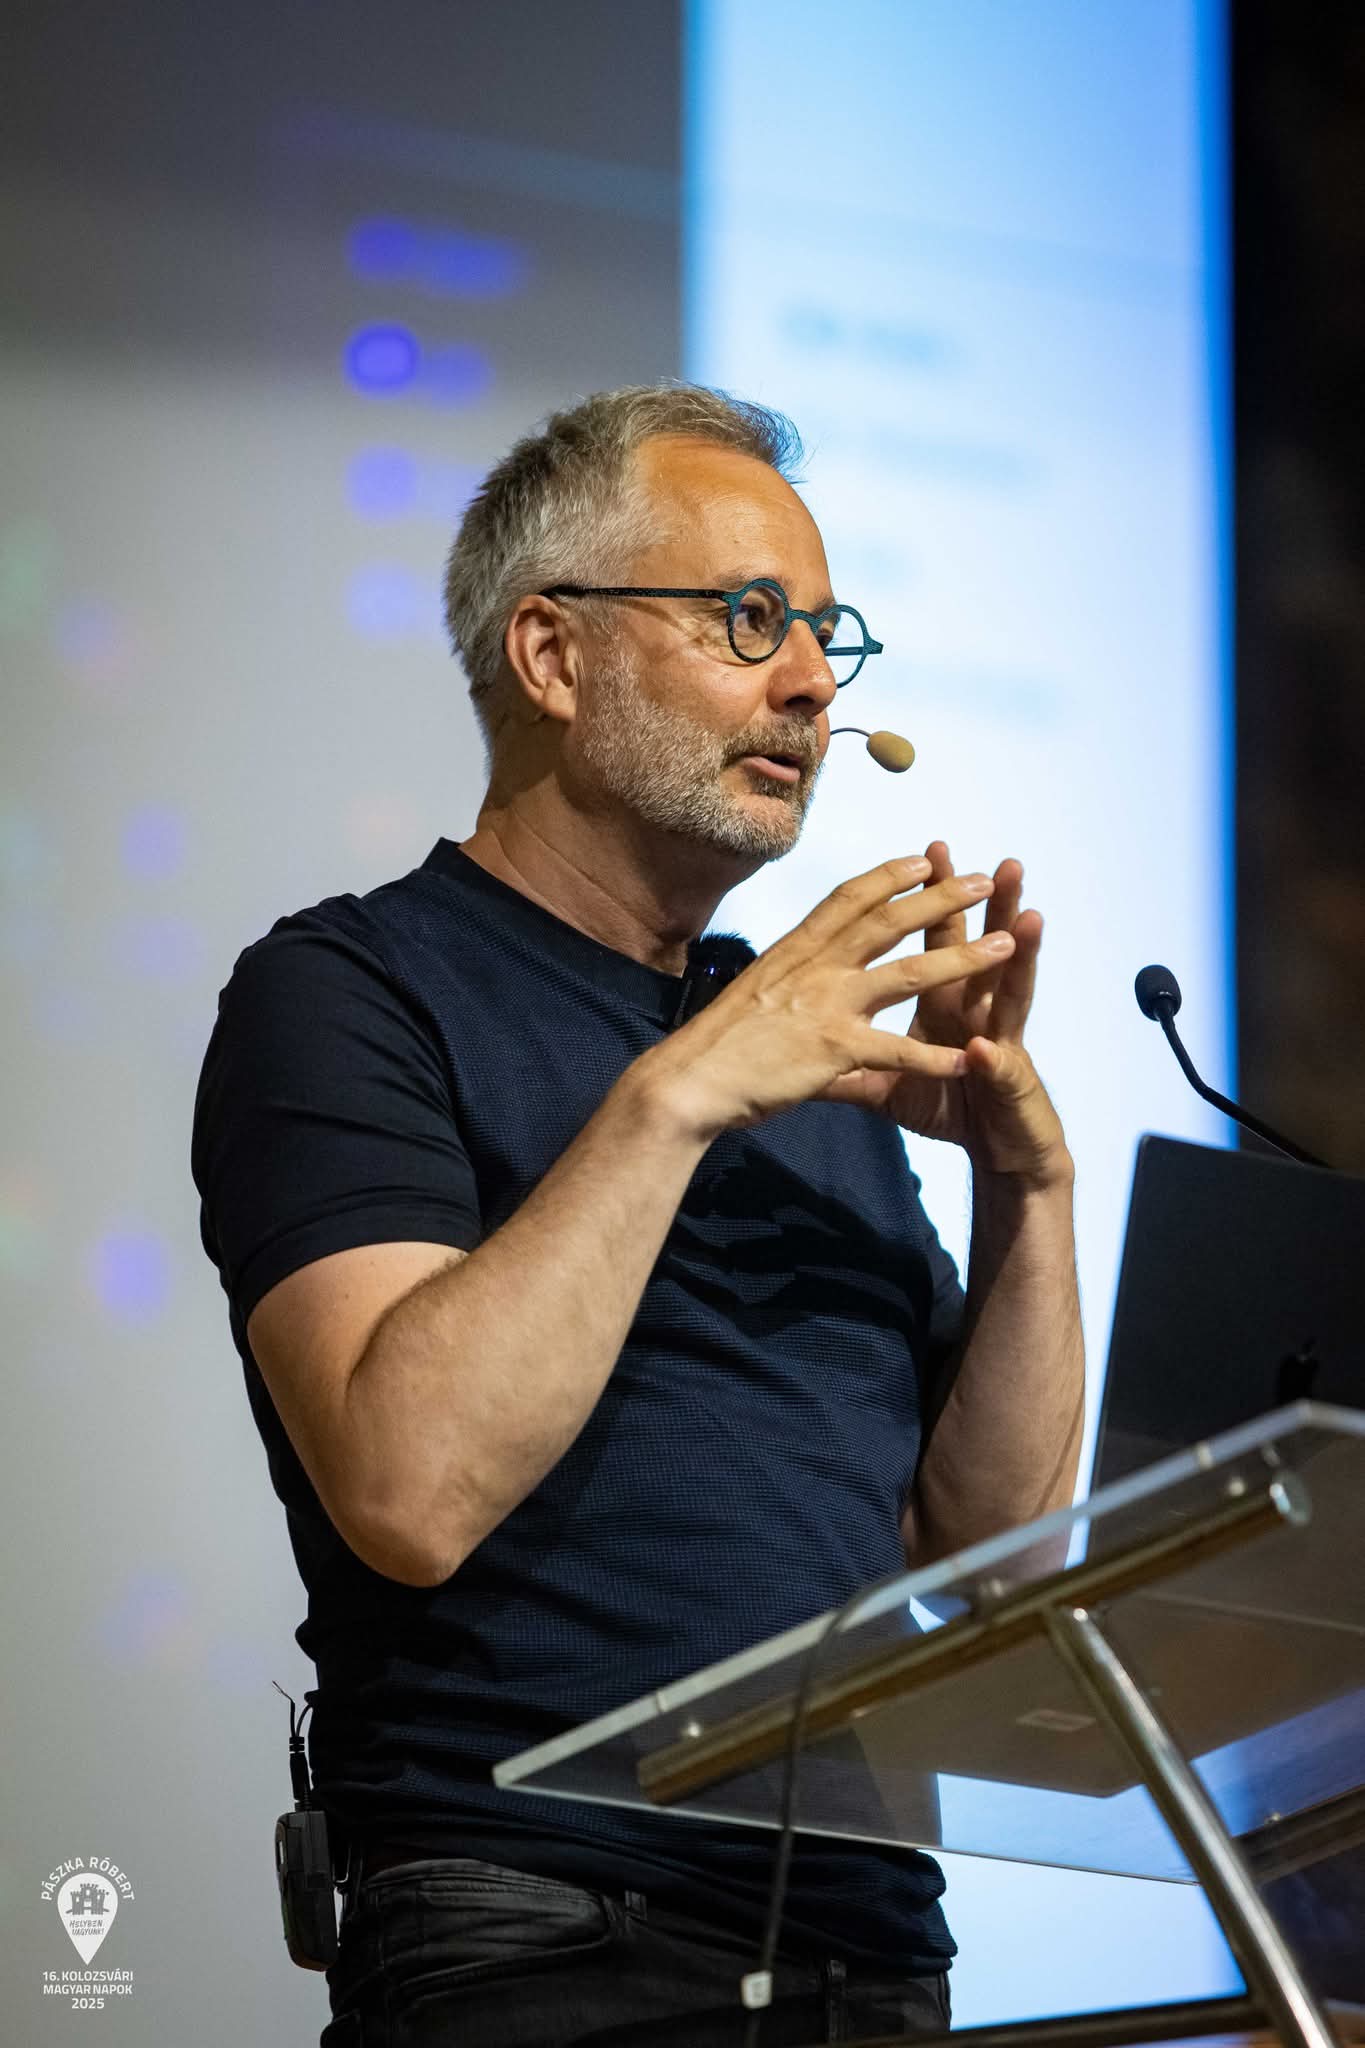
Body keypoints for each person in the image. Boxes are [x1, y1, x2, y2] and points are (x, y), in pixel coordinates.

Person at [192, 383, 1084, 2047]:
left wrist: (1025, 1185)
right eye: (748, 619)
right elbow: (408, 1486)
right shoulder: (350, 991)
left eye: (824, 635)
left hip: (875, 1953)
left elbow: (987, 1560)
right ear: (551, 654)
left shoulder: (796, 1041)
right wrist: (680, 1092)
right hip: (542, 1937)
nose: (811, 684)